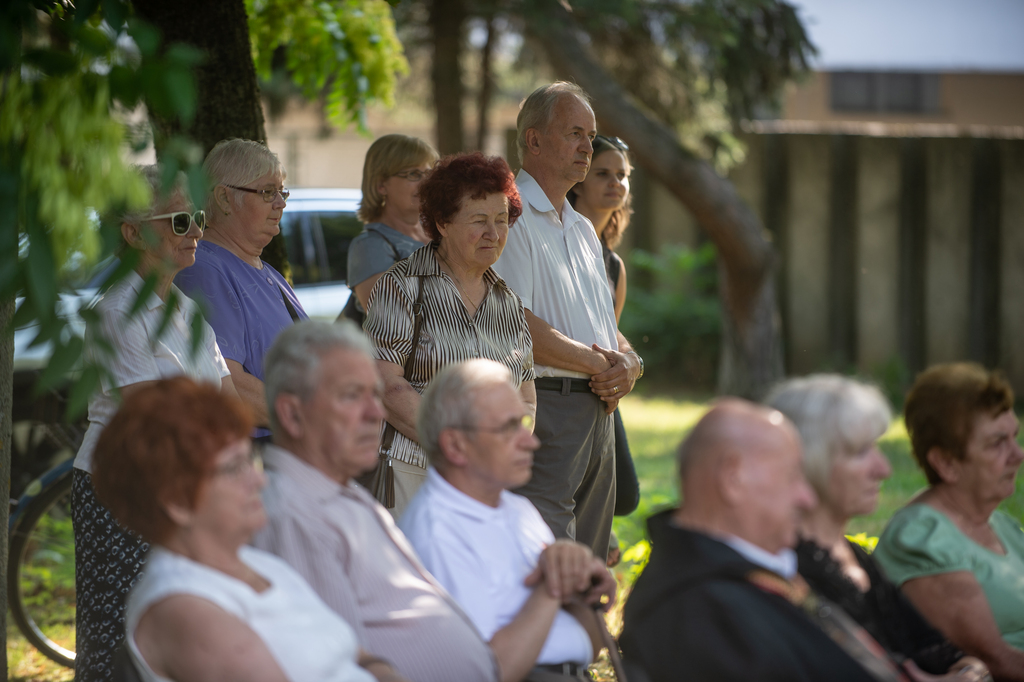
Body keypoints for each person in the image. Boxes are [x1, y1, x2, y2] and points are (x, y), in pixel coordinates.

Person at [90, 377, 406, 682]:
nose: (259, 480)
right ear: (177, 502)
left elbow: (355, 654)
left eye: (250, 461)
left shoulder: (259, 565)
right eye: (234, 468)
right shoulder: (186, 608)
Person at [252, 321, 499, 682]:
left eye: (375, 394)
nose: (377, 413)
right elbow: (340, 667)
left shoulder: (336, 491)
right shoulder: (293, 512)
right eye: (352, 396)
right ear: (292, 414)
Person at [72, 165, 234, 682]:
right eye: (180, 220)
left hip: (187, 490)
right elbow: (151, 414)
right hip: (126, 495)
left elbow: (225, 404)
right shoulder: (116, 312)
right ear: (133, 233)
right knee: (123, 643)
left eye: (199, 218)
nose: (197, 232)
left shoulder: (186, 308)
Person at [620, 399, 892, 682]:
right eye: (792, 476)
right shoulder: (703, 613)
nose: (807, 498)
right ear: (732, 478)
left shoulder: (726, 575)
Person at [493, 82, 643, 560]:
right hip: (548, 409)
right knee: (549, 561)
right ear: (533, 140)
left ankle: (589, 638)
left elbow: (605, 328)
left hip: (599, 411)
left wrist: (630, 364)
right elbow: (511, 323)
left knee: (591, 561)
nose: (587, 146)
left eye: (591, 134)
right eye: (575, 133)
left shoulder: (580, 228)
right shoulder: (508, 216)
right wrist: (599, 365)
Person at [400, 359, 616, 682]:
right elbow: (489, 671)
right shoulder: (437, 530)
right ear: (456, 445)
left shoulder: (518, 511)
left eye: (524, 422)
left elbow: (592, 645)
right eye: (508, 428)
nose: (530, 440)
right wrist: (552, 586)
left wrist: (584, 585)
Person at [767, 375, 989, 681]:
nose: (883, 469)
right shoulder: (785, 571)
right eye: (860, 453)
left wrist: (968, 671)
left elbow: (935, 645)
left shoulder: (856, 556)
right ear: (808, 460)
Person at [363, 152, 536, 515]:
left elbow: (526, 398)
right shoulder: (403, 286)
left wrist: (499, 450)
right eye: (479, 220)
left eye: (502, 221)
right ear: (442, 222)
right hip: (412, 472)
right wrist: (456, 445)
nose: (494, 233)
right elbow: (386, 384)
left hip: (485, 479)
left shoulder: (508, 303)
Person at [874, 363, 1024, 680]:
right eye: (997, 443)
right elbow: (995, 661)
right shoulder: (923, 539)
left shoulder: (1001, 526)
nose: (1018, 454)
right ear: (946, 462)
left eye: (1015, 437)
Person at [175, 138, 307, 438]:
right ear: (223, 199)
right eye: (267, 192)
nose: (281, 203)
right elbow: (226, 381)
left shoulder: (266, 270)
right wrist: (310, 421)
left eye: (282, 192)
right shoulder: (204, 270)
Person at [567, 133, 639, 518]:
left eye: (622, 175)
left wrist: (629, 364)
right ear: (578, 181)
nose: (616, 183)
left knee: (624, 496)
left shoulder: (613, 265)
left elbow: (610, 332)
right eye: (603, 174)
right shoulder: (555, 242)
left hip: (603, 389)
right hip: (559, 385)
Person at [346, 134, 439, 318]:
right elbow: (392, 322)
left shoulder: (441, 232)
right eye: (413, 174)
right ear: (381, 185)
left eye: (428, 174)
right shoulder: (369, 247)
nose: (425, 183)